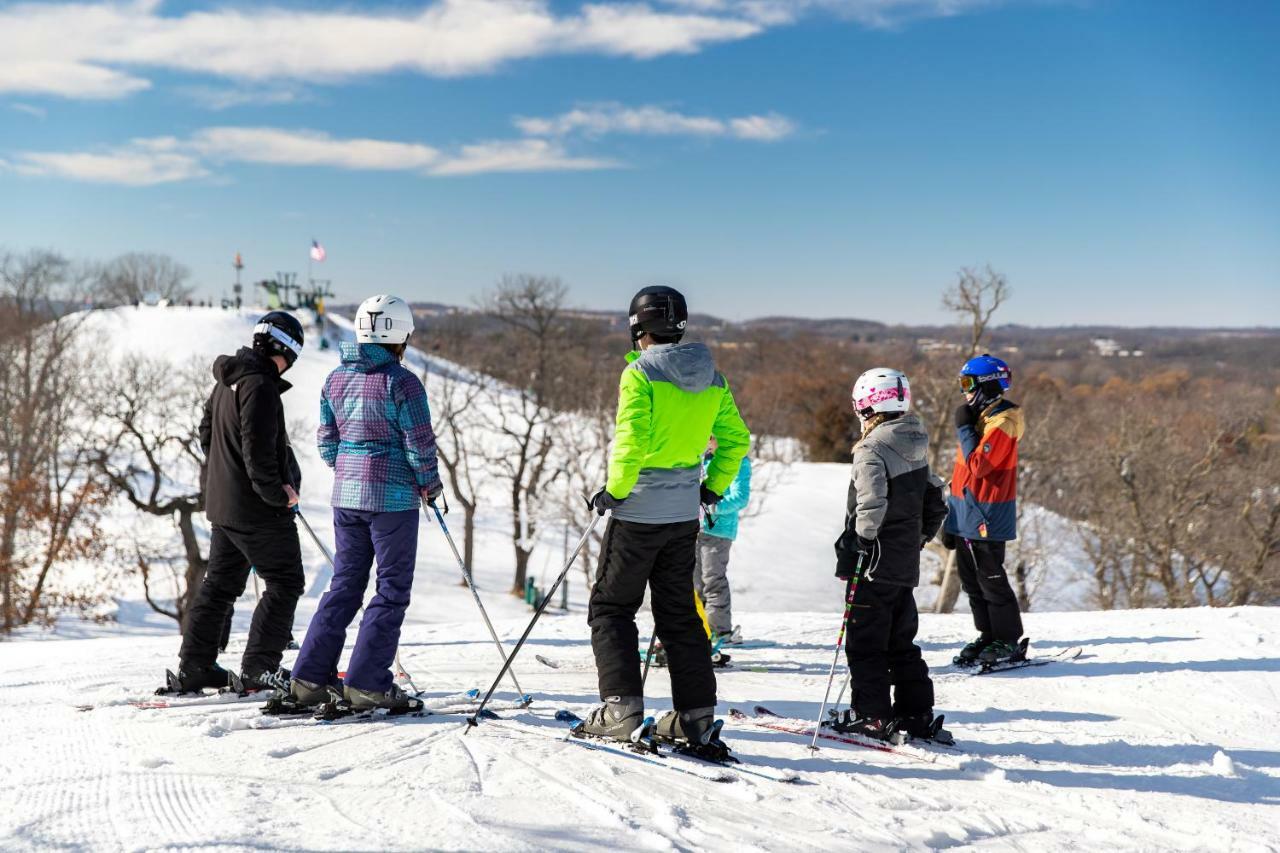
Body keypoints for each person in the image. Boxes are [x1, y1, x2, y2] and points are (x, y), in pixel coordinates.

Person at [579, 285, 750, 748]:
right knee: (678, 613)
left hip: (638, 512)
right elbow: (737, 439)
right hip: (682, 516)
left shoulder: (640, 374)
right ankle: (694, 717)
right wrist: (712, 486)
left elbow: (630, 441)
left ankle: (619, 709)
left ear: (638, 329)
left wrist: (613, 492)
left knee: (612, 608)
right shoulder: (712, 375)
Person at [286, 294, 444, 713]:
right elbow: (418, 443)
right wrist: (429, 485)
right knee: (391, 590)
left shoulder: (335, 378)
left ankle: (308, 678)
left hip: (347, 499)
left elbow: (327, 439)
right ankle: (368, 684)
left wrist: (351, 471)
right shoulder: (402, 381)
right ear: (399, 336)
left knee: (345, 584)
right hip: (391, 500)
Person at [168, 311, 306, 694]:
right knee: (286, 581)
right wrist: (279, 494)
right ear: (281, 350)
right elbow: (258, 454)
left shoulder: (226, 381)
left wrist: (224, 475)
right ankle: (260, 667)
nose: (287, 366)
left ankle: (195, 665)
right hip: (257, 510)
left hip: (224, 504)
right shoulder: (259, 386)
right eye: (290, 357)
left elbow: (206, 433)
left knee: (221, 584)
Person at [833, 368, 949, 742]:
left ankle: (871, 715)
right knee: (900, 641)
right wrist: (918, 539)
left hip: (875, 562)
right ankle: (915, 713)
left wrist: (859, 544)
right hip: (902, 563)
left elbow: (871, 502)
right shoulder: (915, 442)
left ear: (868, 405)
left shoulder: (872, 448)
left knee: (865, 642)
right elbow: (936, 500)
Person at [942, 353, 1027, 667]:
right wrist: (952, 519)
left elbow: (979, 466)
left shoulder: (1003, 423)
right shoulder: (981, 419)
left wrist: (964, 429)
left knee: (991, 579)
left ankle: (1007, 637)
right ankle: (988, 634)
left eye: (968, 383)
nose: (964, 391)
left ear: (987, 386)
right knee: (972, 582)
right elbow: (961, 476)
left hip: (988, 515)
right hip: (967, 515)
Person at [695, 437, 751, 644]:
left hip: (719, 531)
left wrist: (712, 506)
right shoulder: (703, 460)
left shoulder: (738, 462)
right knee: (694, 582)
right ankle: (699, 629)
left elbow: (741, 497)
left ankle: (720, 630)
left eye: (712, 436)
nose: (708, 441)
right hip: (695, 528)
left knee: (713, 579)